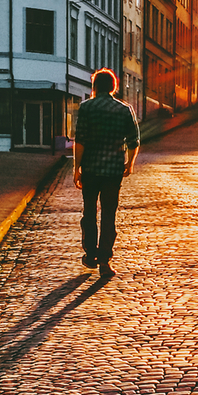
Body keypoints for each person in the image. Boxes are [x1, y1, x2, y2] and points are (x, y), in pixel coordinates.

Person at [73, 69, 140, 278]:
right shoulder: (124, 109)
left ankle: (90, 254)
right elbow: (134, 140)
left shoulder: (86, 108)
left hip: (91, 170)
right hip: (113, 171)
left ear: (94, 87)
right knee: (109, 215)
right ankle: (105, 259)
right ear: (113, 87)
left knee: (90, 213)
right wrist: (129, 164)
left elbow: (80, 140)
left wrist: (77, 168)